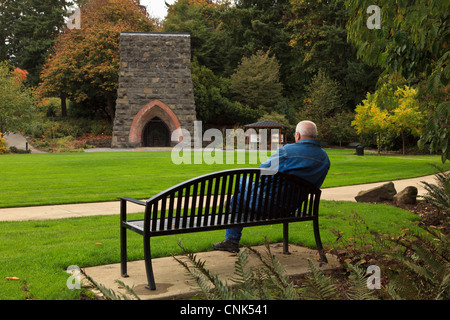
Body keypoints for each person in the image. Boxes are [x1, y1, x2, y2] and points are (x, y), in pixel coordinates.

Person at [213, 120, 331, 252]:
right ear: (315, 135)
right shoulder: (324, 158)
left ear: (297, 135)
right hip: (291, 207)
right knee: (240, 199)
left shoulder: (288, 151)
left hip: (268, 205)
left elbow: (261, 172)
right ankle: (233, 215)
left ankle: (231, 236)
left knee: (242, 183)